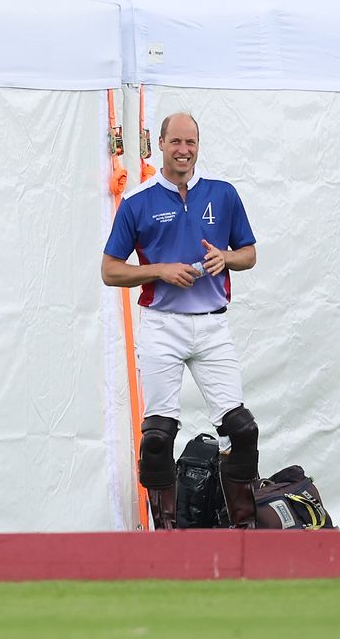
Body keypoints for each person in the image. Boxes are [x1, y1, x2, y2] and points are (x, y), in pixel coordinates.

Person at [101, 112, 259, 529]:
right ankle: (166, 538)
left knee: (241, 430)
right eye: (176, 143)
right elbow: (110, 270)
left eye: (190, 143)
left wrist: (225, 258)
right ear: (161, 144)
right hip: (161, 324)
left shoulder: (223, 194)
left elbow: (249, 254)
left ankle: (244, 531)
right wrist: (159, 270)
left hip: (212, 324)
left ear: (198, 146)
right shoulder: (138, 201)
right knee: (157, 438)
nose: (184, 151)